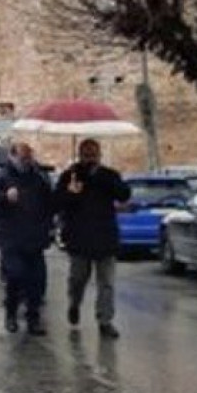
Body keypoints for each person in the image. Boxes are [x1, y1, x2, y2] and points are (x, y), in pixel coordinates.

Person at [56, 139, 132, 339]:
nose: (90, 159)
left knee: (106, 282)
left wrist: (103, 179)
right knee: (78, 279)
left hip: (105, 237)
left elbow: (124, 194)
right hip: (79, 238)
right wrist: (70, 193)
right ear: (80, 155)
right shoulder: (70, 176)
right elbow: (57, 203)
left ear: (99, 156)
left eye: (93, 155)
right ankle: (74, 304)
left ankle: (105, 320)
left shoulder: (109, 175)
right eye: (86, 155)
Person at [0, 142, 53, 335]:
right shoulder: (1, 176)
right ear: (13, 157)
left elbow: (49, 203)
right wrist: (4, 196)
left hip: (34, 237)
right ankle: (11, 314)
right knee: (15, 275)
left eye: (30, 157)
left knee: (37, 281)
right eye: (24, 157)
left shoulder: (38, 177)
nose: (28, 161)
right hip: (11, 237)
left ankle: (33, 319)